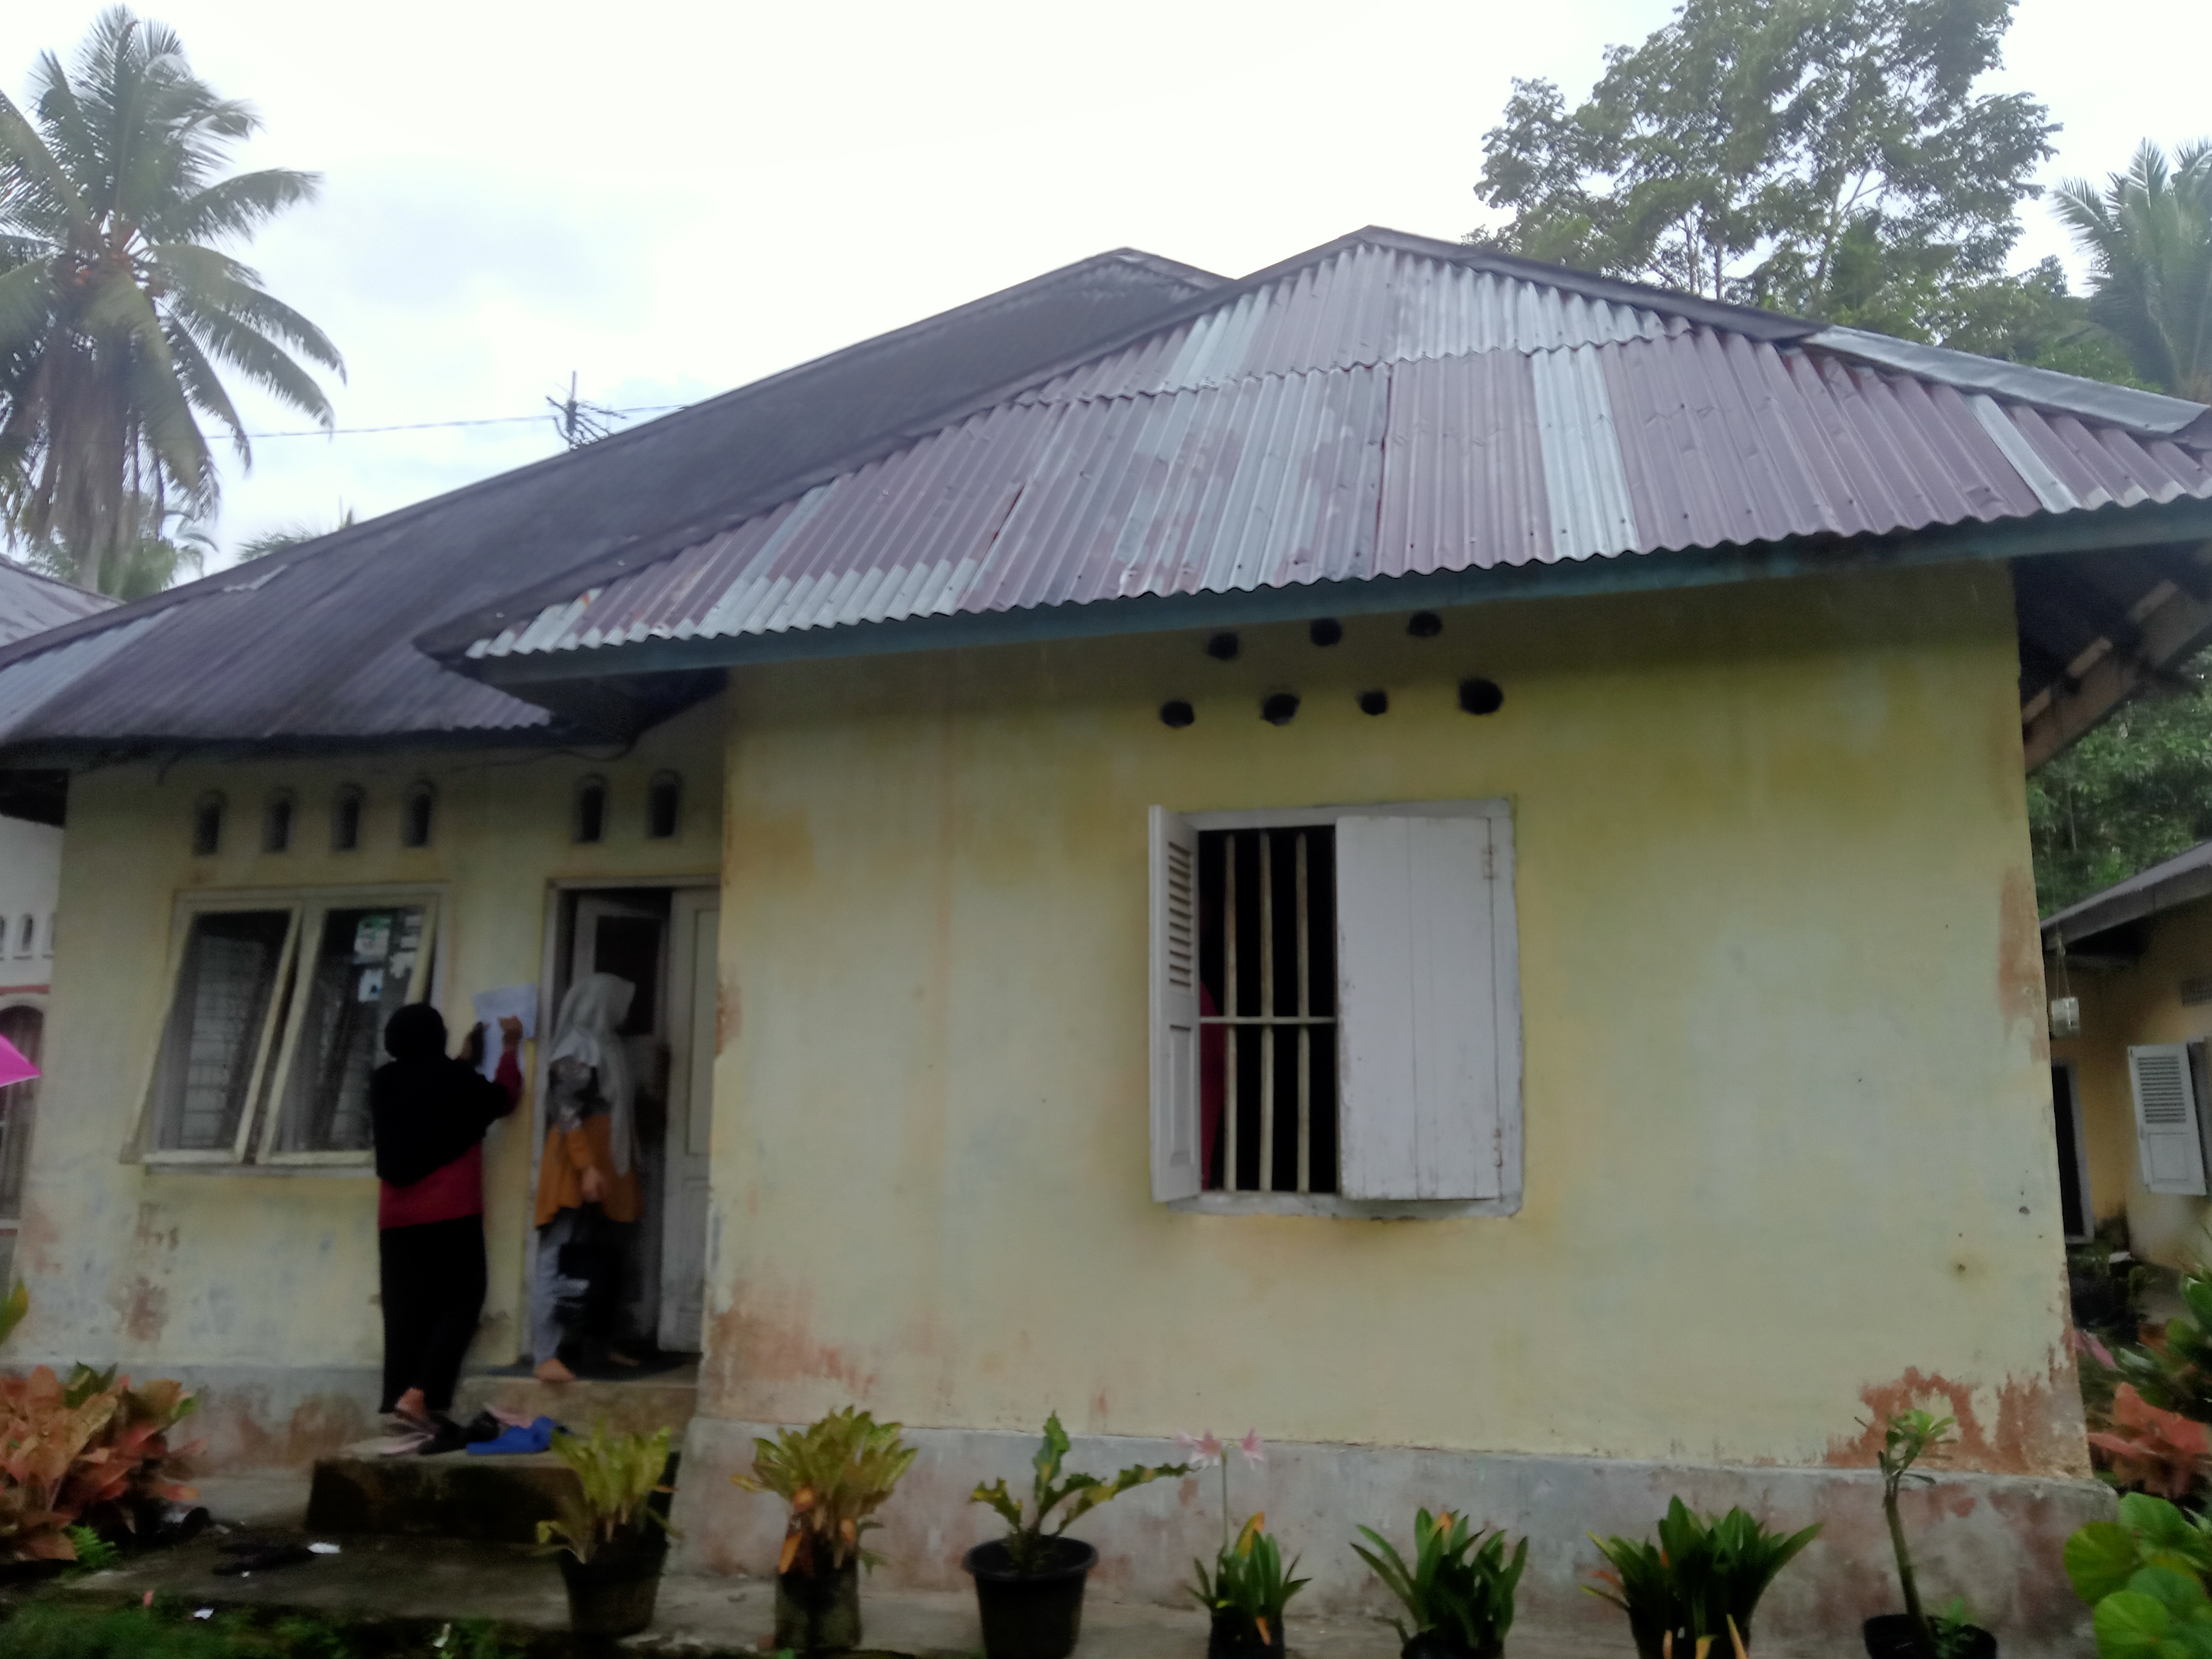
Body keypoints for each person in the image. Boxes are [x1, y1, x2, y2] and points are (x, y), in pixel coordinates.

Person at [369, 1004, 523, 1437]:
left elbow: (427, 1101)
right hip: (450, 1209)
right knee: (461, 1300)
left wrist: (462, 1062)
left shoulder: (383, 1081)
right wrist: (510, 1048)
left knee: (405, 1311)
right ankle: (422, 1396)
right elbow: (503, 1098)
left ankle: (402, 1401)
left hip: (396, 1216)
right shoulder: (456, 1081)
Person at [532, 973, 642, 1382]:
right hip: (578, 1164)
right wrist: (586, 1167)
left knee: (604, 1253)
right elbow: (566, 1110)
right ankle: (545, 1354)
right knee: (558, 1253)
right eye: (620, 1002)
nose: (625, 1012)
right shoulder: (577, 1046)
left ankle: (600, 1343)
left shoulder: (608, 1045)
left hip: (606, 1161)